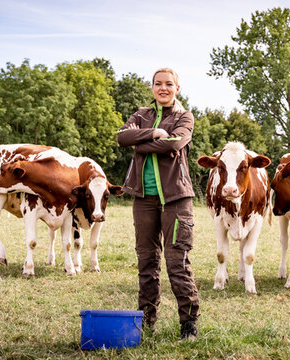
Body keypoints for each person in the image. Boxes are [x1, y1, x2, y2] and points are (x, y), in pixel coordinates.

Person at [116, 68, 199, 339]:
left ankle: (188, 324)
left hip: (176, 199)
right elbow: (122, 137)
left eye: (169, 84)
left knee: (178, 263)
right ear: (152, 87)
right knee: (147, 262)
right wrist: (154, 133)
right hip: (144, 200)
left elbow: (175, 144)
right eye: (158, 84)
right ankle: (146, 321)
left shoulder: (184, 116)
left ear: (177, 88)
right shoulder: (140, 115)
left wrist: (142, 142)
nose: (163, 88)